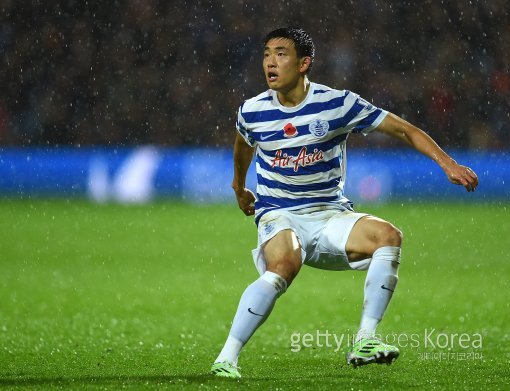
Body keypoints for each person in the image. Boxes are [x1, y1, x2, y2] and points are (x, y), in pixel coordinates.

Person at [211, 27, 478, 378]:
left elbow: (403, 129)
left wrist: (448, 163)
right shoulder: (253, 110)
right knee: (284, 265)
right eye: (266, 54)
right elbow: (243, 144)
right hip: (280, 213)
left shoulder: (338, 104)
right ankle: (226, 358)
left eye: (280, 53)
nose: (270, 62)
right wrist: (238, 186)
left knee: (389, 236)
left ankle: (366, 340)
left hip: (330, 213)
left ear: (303, 63)